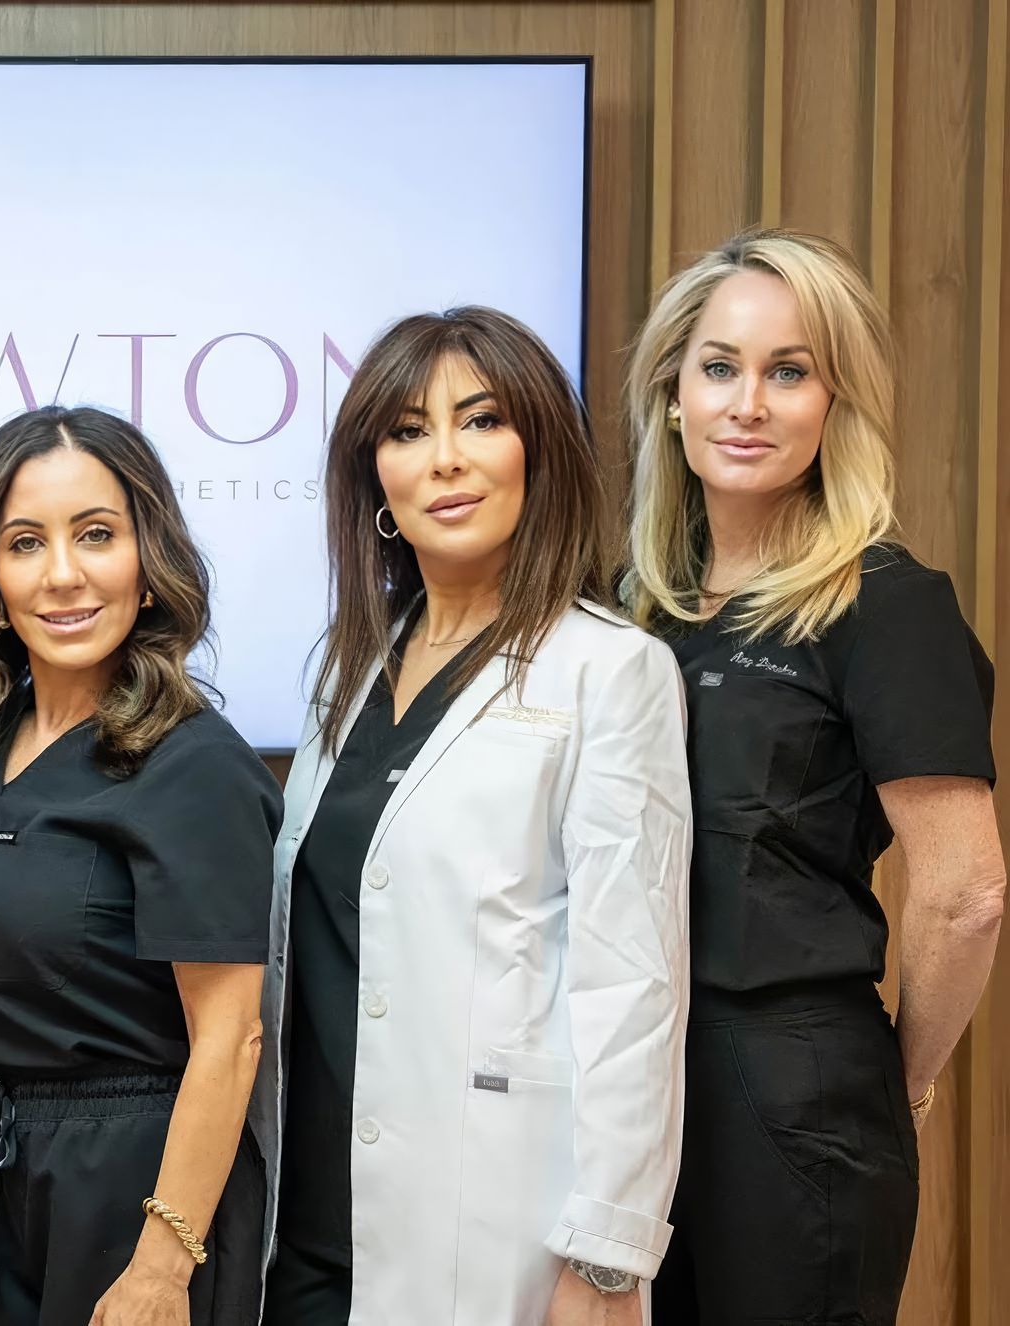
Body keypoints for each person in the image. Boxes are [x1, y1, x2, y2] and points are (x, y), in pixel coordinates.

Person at [266, 306, 691, 1324]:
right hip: (314, 1219)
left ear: (537, 450)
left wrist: (605, 1253)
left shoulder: (611, 670)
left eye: (480, 421)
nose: (444, 460)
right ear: (376, 480)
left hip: (496, 1216)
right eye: (407, 432)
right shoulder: (347, 666)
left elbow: (632, 986)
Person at [624, 228, 1005, 1325]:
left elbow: (965, 891)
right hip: (624, 1083)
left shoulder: (884, 604)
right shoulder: (631, 605)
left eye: (789, 372)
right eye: (719, 367)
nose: (748, 402)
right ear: (672, 395)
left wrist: (907, 1077)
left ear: (833, 404)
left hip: (787, 1085)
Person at [0, 405, 279, 1326]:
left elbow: (231, 1040)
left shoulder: (196, 765)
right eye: (25, 542)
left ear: (149, 563)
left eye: (97, 535)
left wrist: (162, 1263)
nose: (63, 575)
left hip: (139, 1179)